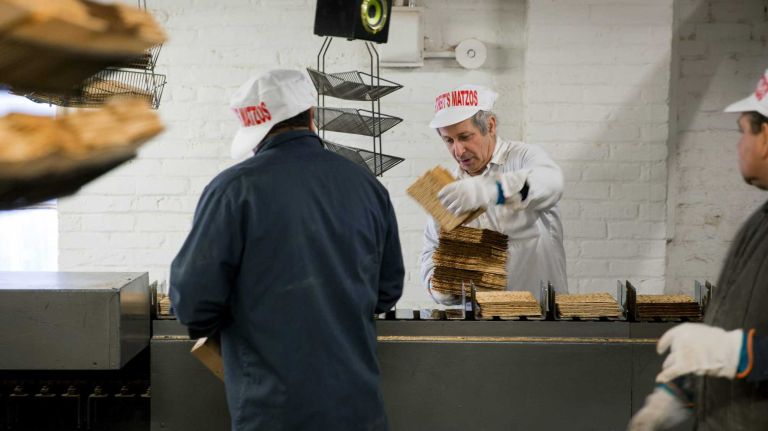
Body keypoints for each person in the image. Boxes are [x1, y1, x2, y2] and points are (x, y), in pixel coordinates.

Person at [169, 69, 405, 431]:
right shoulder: (368, 187)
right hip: (358, 409)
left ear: (257, 131)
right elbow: (387, 292)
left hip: (272, 411)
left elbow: (192, 303)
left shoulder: (233, 189)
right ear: (311, 115)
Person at [628, 69, 768, 431]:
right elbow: (738, 319)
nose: (739, 146)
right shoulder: (760, 221)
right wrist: (685, 389)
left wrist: (738, 354)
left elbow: (733, 348)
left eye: (742, 132)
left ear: (765, 137)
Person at [419, 84, 567, 304]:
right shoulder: (449, 188)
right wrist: (437, 285)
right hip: (481, 322)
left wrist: (489, 189)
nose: (458, 151)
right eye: (449, 140)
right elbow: (432, 250)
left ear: (490, 125)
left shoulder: (522, 158)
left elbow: (551, 183)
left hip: (539, 315)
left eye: (465, 137)